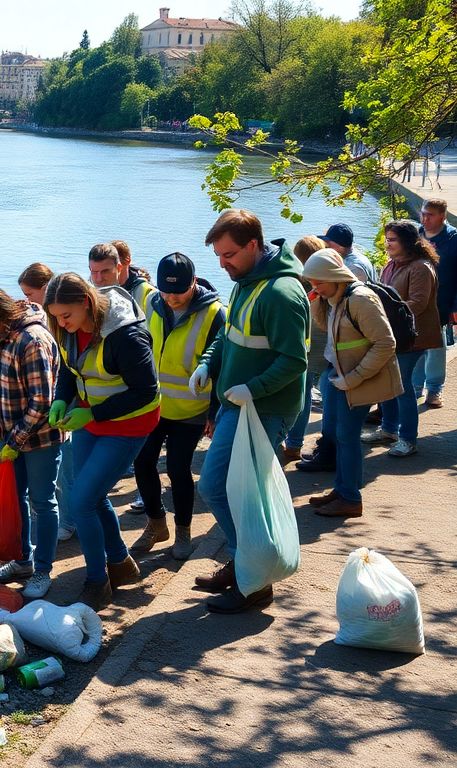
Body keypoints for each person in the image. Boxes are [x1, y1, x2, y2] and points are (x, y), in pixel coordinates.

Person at [190, 209, 309, 614]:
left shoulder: (281, 294)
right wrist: (209, 363)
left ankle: (254, 581)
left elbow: (295, 361)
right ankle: (246, 567)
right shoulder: (245, 283)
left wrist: (251, 389)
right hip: (237, 407)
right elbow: (228, 335)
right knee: (227, 491)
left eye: (229, 255)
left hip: (263, 412)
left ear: (254, 246)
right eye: (219, 256)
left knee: (229, 492)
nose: (222, 264)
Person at [44, 273, 158, 610]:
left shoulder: (127, 335)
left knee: (81, 502)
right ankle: (120, 563)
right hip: (89, 419)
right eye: (56, 318)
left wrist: (92, 414)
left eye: (66, 316)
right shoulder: (68, 328)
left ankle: (99, 581)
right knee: (89, 495)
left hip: (129, 425)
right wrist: (61, 399)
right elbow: (69, 369)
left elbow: (146, 391)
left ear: (86, 302)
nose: (62, 324)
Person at [0, 280, 64, 599]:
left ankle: (43, 570)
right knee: (13, 499)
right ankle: (22, 560)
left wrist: (14, 441)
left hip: (40, 440)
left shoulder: (33, 340)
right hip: (3, 433)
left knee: (42, 502)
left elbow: (42, 401)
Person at [129, 253, 224, 561]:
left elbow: (221, 363)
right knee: (142, 463)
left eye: (178, 291)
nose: (171, 297)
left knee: (178, 470)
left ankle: (182, 530)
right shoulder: (152, 304)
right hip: (153, 406)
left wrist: (213, 411)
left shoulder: (215, 313)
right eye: (165, 290)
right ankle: (156, 524)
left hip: (191, 410)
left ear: (194, 283)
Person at [303, 249, 403, 518]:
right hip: (341, 375)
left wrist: (354, 378)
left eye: (318, 283)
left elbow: (386, 343)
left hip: (356, 378)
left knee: (347, 437)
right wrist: (317, 299)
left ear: (334, 276)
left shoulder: (360, 299)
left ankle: (350, 498)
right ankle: (343, 489)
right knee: (338, 435)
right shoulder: (338, 297)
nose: (315, 288)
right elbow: (326, 326)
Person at [363, 220, 444, 457]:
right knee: (388, 384)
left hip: (412, 336)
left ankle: (408, 439)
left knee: (403, 387)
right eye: (387, 239)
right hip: (392, 334)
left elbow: (417, 303)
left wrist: (381, 314)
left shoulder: (420, 267)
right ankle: (389, 429)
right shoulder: (392, 264)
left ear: (407, 242)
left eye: (392, 240)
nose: (387, 244)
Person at [21, 263, 77, 543]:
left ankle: (69, 520)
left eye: (30, 294)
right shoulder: (41, 320)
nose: (26, 300)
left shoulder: (57, 321)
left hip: (65, 402)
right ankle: (58, 517)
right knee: (55, 471)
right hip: (54, 402)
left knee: (67, 467)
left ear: (46, 289)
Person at [290, 236, 335, 470]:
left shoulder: (300, 279)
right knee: (324, 391)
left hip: (309, 341)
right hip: (325, 342)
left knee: (303, 391)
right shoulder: (328, 276)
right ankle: (325, 442)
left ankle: (295, 442)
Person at [418, 199, 457, 407]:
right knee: (413, 344)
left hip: (441, 302)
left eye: (430, 215)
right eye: (423, 214)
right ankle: (414, 388)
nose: (425, 219)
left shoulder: (454, 239)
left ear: (442, 217)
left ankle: (434, 390)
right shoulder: (418, 235)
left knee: (435, 347)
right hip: (416, 300)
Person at [89, 240, 155, 310]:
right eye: (95, 272)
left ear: (119, 267)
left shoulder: (144, 292)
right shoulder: (89, 289)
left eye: (106, 271)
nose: (99, 279)